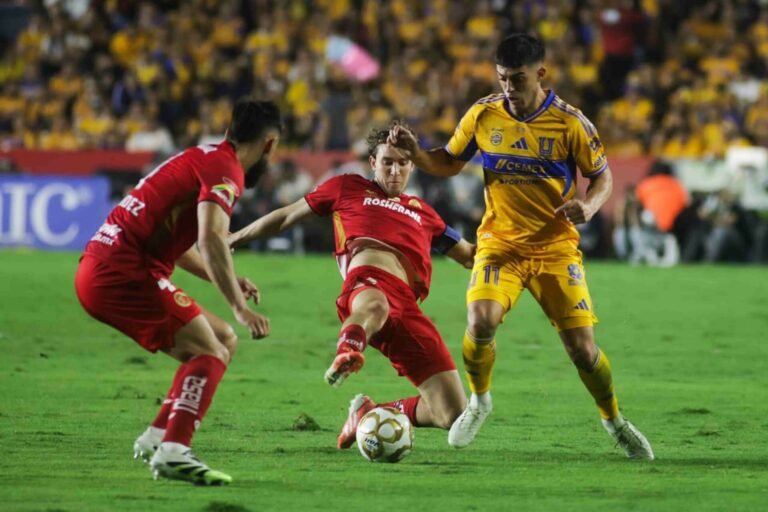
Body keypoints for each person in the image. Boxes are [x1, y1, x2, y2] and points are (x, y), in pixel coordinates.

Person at [388, 34, 654, 460]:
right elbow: (450, 162)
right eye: (503, 78)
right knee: (480, 320)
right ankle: (479, 402)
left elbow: (602, 177)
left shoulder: (570, 123)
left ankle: (614, 421)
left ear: (540, 73)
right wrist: (417, 154)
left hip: (555, 249)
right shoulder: (483, 114)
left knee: (582, 350)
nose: (509, 87)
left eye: (517, 78)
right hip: (500, 244)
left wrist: (590, 205)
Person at [74, 98, 282, 485]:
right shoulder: (227, 170)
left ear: (229, 132)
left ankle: (157, 437)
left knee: (222, 339)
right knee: (209, 351)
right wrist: (239, 306)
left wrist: (227, 279)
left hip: (106, 264)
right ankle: (174, 449)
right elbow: (211, 238)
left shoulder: (205, 156)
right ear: (269, 145)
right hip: (123, 271)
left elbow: (180, 242)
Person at [229, 125, 475, 448]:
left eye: (403, 163)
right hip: (367, 283)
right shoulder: (347, 187)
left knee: (453, 413)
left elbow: (470, 256)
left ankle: (368, 413)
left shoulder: (426, 214)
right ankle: (348, 349)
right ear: (373, 162)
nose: (395, 170)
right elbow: (286, 216)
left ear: (413, 165)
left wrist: (513, 243)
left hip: (407, 308)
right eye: (387, 162)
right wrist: (235, 237)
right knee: (375, 305)